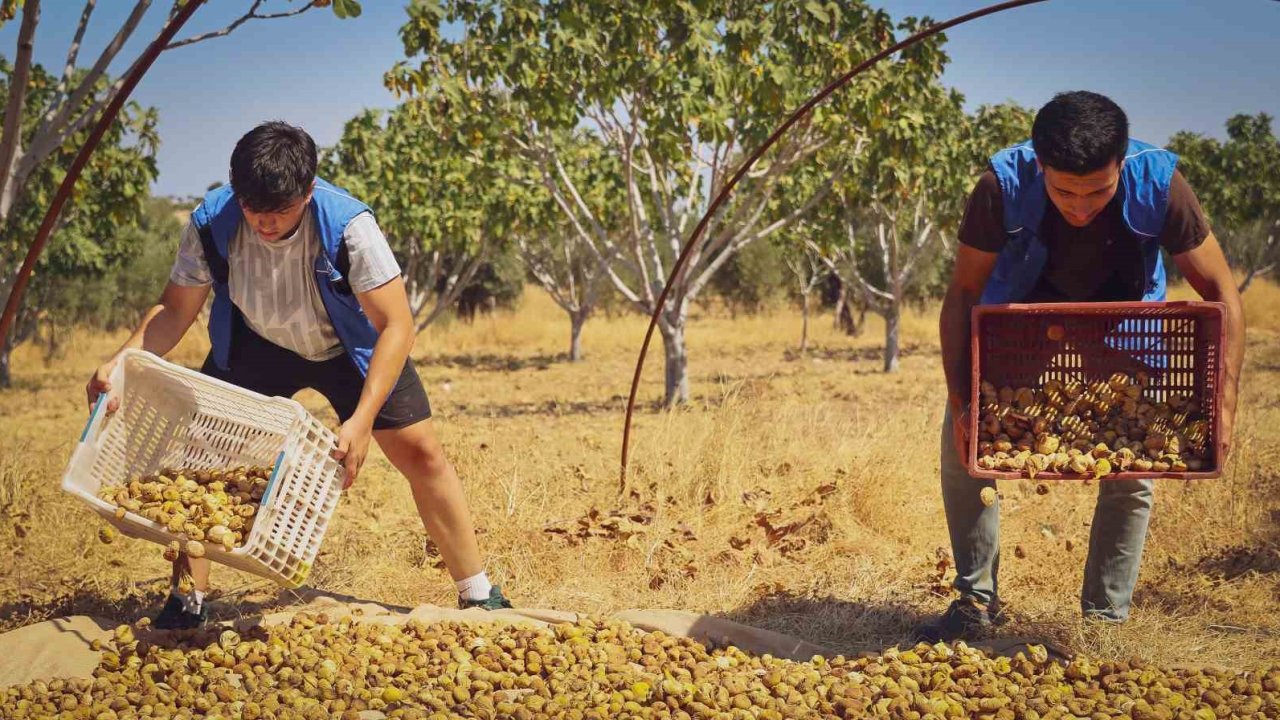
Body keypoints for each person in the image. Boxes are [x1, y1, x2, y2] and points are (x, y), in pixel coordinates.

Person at [85, 121, 510, 629]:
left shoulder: (350, 227)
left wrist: (361, 419)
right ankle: (187, 601)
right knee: (197, 457)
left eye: (280, 212)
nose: (264, 225)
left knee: (421, 453)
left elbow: (397, 324)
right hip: (255, 342)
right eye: (253, 210)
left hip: (346, 347)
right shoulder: (209, 223)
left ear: (308, 192)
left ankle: (477, 591)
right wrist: (123, 360)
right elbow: (175, 310)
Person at [917, 91, 1245, 642]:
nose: (1080, 206)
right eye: (1064, 191)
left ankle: (1104, 621)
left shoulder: (1160, 184)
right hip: (1019, 320)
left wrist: (1226, 404)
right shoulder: (1002, 186)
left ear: (1121, 162)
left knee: (1134, 469)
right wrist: (962, 403)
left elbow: (1222, 292)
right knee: (964, 451)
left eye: (1098, 190)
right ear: (1040, 164)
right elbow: (963, 293)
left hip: (1124, 324)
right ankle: (975, 600)